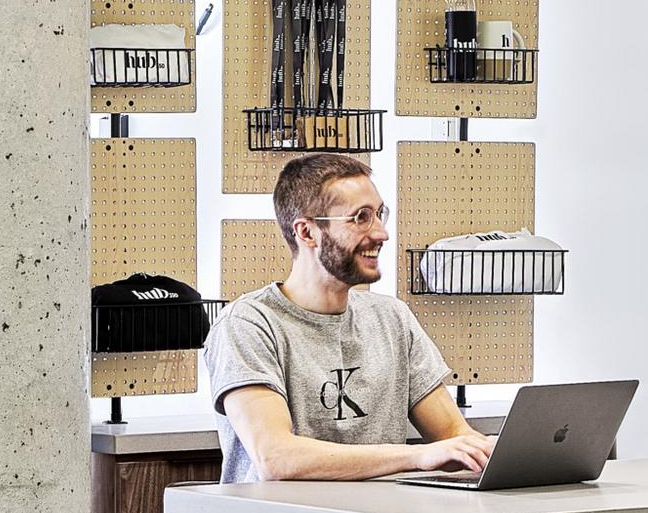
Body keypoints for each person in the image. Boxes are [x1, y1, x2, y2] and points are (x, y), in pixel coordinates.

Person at [205, 152, 494, 485]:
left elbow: (453, 435)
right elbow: (276, 457)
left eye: (380, 214)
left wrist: (492, 450)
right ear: (307, 232)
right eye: (361, 217)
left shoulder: (392, 319)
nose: (381, 233)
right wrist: (416, 456)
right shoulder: (247, 325)